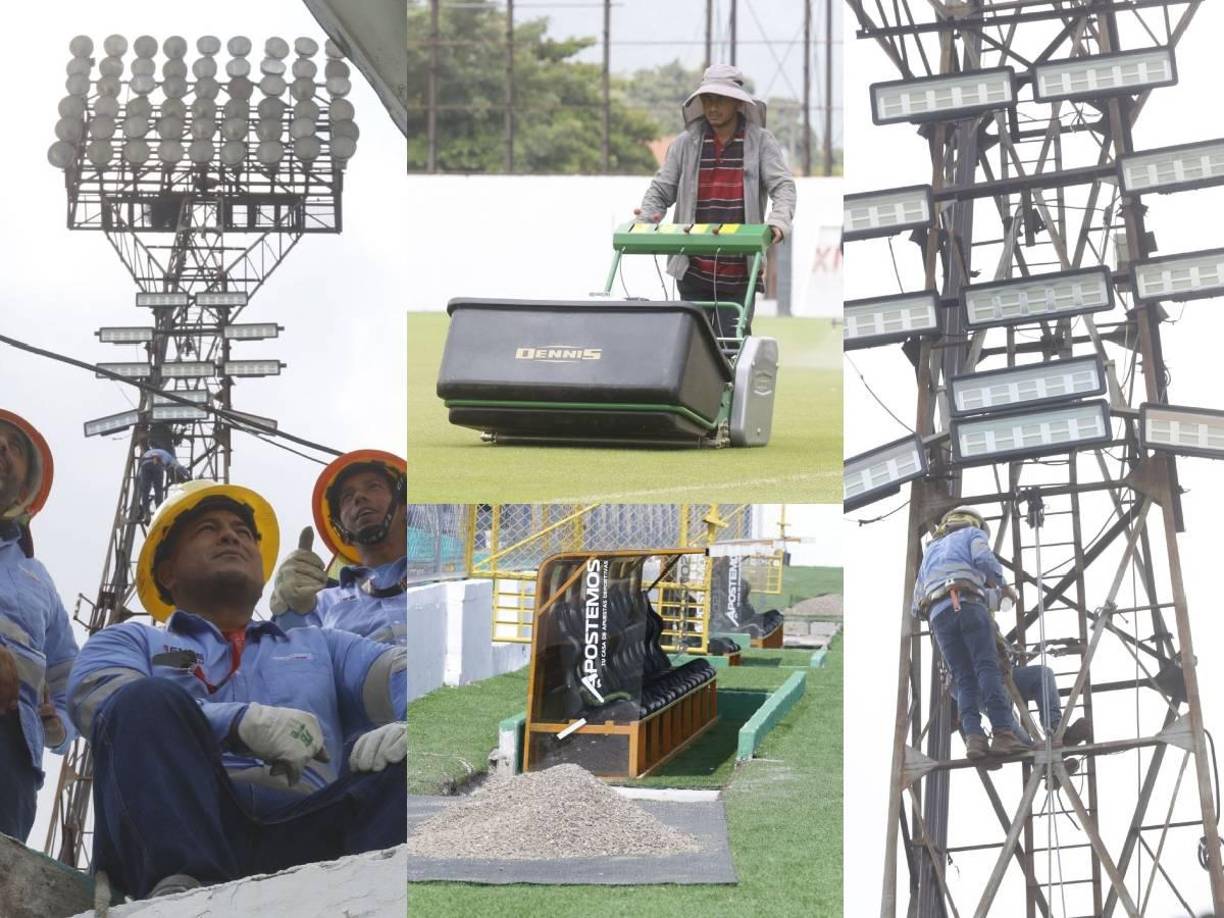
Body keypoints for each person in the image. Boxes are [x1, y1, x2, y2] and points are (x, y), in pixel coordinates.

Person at [67, 481, 407, 899]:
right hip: (177, 836)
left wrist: (415, 720)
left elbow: (400, 676)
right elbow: (99, 699)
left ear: (263, 573)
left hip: (312, 834)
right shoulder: (133, 642)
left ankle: (377, 894)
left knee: (403, 763)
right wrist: (237, 724)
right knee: (143, 700)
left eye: (243, 532)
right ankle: (181, 895)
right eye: (207, 528)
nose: (230, 535)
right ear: (167, 572)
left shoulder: (322, 645)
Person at [635, 63, 796, 336]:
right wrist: (645, 219)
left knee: (729, 348)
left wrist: (778, 223)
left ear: (736, 103)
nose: (712, 107)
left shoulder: (761, 142)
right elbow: (661, 189)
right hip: (693, 269)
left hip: (739, 272)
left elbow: (783, 187)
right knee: (691, 348)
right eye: (707, 100)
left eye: (719, 100)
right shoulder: (685, 144)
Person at [0, 410, 78, 843]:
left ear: (27, 485)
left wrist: (60, 724)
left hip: (10, 755)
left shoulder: (38, 580)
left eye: (12, 446)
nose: (2, 449)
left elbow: (69, 673)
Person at [912, 505, 1027, 761]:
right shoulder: (972, 535)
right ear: (973, 522)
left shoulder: (931, 551)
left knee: (963, 678)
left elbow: (915, 604)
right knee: (987, 668)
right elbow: (984, 561)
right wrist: (1005, 587)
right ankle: (1002, 733)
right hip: (968, 605)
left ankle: (974, 738)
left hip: (939, 617)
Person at [269, 451, 406, 646]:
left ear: (404, 505)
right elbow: (293, 658)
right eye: (347, 497)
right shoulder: (318, 603)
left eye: (374, 486)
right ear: (340, 529)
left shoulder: (446, 572)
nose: (359, 497)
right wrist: (290, 609)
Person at [137, 443, 190, 520]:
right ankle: (159, 512)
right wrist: (188, 475)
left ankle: (146, 514)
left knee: (145, 491)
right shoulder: (168, 456)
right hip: (157, 464)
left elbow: (141, 473)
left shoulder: (149, 453)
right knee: (158, 490)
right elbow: (179, 467)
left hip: (145, 464)